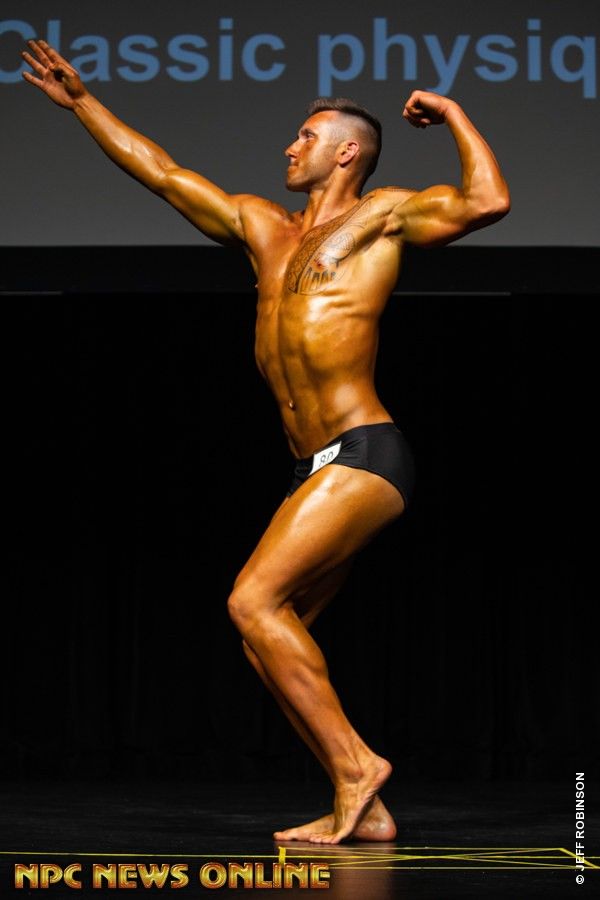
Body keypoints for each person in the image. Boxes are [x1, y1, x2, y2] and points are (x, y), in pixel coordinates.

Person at [22, 38, 510, 845]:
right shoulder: (262, 226)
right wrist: (82, 104)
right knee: (265, 638)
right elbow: (163, 174)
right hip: (310, 466)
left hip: (366, 450)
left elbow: (488, 202)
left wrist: (454, 112)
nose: (289, 146)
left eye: (305, 136)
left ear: (346, 152)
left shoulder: (383, 215)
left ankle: (358, 768)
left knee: (251, 601)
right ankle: (367, 808)